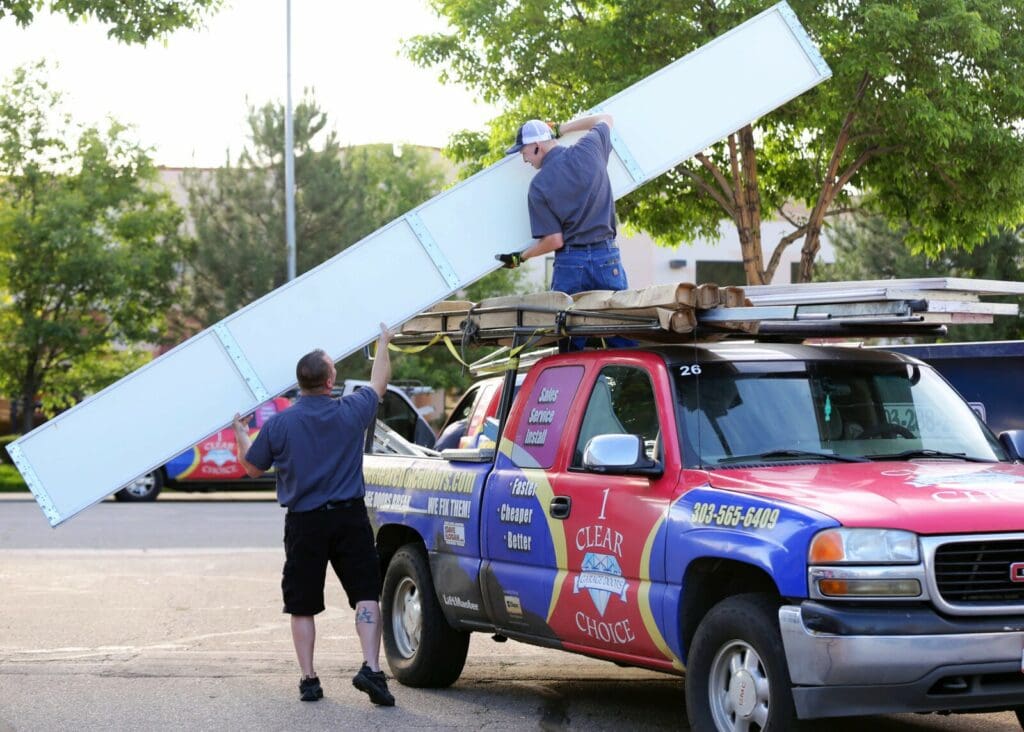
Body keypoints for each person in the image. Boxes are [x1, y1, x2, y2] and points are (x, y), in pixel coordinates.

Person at [231, 323, 396, 707]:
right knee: (366, 596)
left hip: (305, 523)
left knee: (303, 604)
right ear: (330, 381)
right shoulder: (352, 410)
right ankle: (371, 669)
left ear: (300, 382)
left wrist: (241, 432)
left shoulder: (280, 424)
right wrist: (384, 344)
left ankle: (309, 680)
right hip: (349, 519)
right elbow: (380, 382)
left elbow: (253, 468)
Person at [497, 114, 634, 348]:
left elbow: (553, 241)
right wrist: (562, 128)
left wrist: (520, 257)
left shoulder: (538, 187)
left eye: (524, 152)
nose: (524, 159)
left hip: (571, 264)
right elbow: (606, 118)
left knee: (570, 338)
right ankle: (633, 380)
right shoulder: (589, 149)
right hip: (606, 257)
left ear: (537, 146)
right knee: (621, 328)